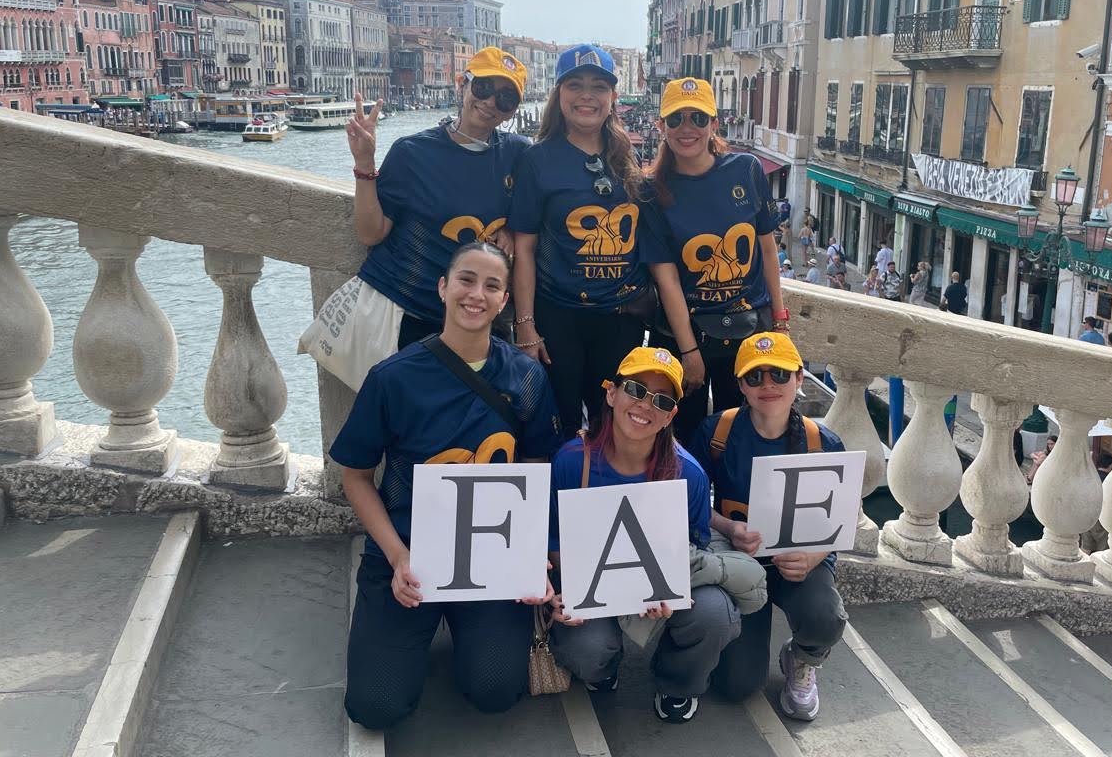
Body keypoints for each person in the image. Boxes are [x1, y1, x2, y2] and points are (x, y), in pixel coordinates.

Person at [334, 242, 563, 731]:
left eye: (492, 285)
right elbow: (356, 476)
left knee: (495, 691)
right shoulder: (393, 378)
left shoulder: (526, 377)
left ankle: (472, 631)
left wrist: (529, 554)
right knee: (375, 707)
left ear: (504, 301)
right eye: (466, 279)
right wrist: (397, 556)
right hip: (410, 552)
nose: (476, 294)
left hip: (491, 555)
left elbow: (536, 463)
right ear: (443, 287)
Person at [548, 347, 740, 724]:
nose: (645, 405)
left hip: (653, 588)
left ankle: (678, 681)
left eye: (662, 400)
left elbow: (692, 549)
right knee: (586, 648)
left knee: (714, 613)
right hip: (592, 584)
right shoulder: (571, 461)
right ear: (611, 393)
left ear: (671, 415)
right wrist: (565, 592)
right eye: (636, 389)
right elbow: (554, 540)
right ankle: (603, 669)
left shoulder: (689, 475)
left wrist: (666, 589)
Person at [692, 333, 848, 720]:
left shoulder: (823, 442)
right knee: (737, 685)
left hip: (799, 559)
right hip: (739, 560)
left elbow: (838, 520)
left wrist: (813, 557)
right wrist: (728, 527)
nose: (768, 385)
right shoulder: (716, 432)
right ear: (741, 385)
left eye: (779, 374)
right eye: (755, 376)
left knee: (824, 616)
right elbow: (690, 504)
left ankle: (804, 657)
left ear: (799, 379)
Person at [349, 46, 529, 349]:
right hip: (412, 312)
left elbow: (531, 213)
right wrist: (365, 163)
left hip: (482, 319)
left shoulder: (519, 153)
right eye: (483, 87)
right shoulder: (411, 152)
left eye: (505, 98)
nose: (490, 102)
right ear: (462, 84)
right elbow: (372, 233)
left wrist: (511, 228)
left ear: (513, 110)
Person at [511, 45, 650, 432]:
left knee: (614, 424)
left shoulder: (628, 156)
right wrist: (525, 326)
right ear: (559, 94)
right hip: (559, 317)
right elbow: (524, 249)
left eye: (598, 86)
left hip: (620, 318)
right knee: (562, 421)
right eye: (575, 85)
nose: (586, 95)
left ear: (612, 97)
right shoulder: (537, 160)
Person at [645, 77, 787, 443]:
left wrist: (780, 319)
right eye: (675, 119)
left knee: (744, 436)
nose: (687, 128)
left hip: (748, 330)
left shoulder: (747, 169)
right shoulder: (651, 190)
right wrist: (690, 350)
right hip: (684, 333)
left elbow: (767, 249)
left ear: (714, 124)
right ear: (661, 126)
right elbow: (666, 278)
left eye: (697, 118)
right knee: (681, 437)